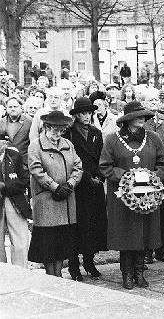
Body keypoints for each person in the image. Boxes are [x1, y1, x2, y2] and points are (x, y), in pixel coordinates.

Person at [99, 101, 164, 289]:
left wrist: (153, 177)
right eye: (137, 116)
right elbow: (105, 166)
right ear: (127, 120)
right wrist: (126, 176)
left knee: (144, 234)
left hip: (147, 196)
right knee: (126, 235)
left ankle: (140, 272)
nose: (142, 119)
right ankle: (127, 274)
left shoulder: (153, 138)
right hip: (123, 197)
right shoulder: (112, 140)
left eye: (144, 116)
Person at [27, 111, 83, 277]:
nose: (58, 134)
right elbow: (36, 170)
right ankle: (51, 275)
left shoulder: (68, 144)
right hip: (47, 201)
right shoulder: (36, 145)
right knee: (48, 243)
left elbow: (78, 166)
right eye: (54, 130)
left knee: (61, 243)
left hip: (65, 200)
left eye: (61, 130)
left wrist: (70, 184)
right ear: (46, 127)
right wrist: (55, 187)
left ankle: (58, 274)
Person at [64, 97, 107, 281]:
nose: (87, 116)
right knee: (77, 225)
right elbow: (70, 160)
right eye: (82, 113)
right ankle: (74, 266)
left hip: (95, 187)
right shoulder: (69, 134)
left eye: (89, 112)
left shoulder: (97, 133)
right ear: (76, 115)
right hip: (78, 186)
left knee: (93, 225)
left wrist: (100, 175)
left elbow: (102, 157)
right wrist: (88, 177)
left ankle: (90, 262)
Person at [141, 89, 164, 264]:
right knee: (147, 211)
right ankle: (147, 251)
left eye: (156, 99)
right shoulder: (140, 122)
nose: (154, 102)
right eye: (150, 100)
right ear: (143, 103)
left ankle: (163, 250)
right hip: (145, 174)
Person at [0, 136, 31, 268]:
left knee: (20, 240)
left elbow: (24, 179)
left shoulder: (14, 155)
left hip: (14, 200)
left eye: (2, 141)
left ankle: (20, 273)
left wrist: (6, 187)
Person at [0, 97, 32, 163]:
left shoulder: (29, 122)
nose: (13, 109)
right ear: (6, 108)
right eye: (10, 107)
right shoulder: (1, 122)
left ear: (21, 107)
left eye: (15, 106)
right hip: (6, 162)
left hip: (24, 162)